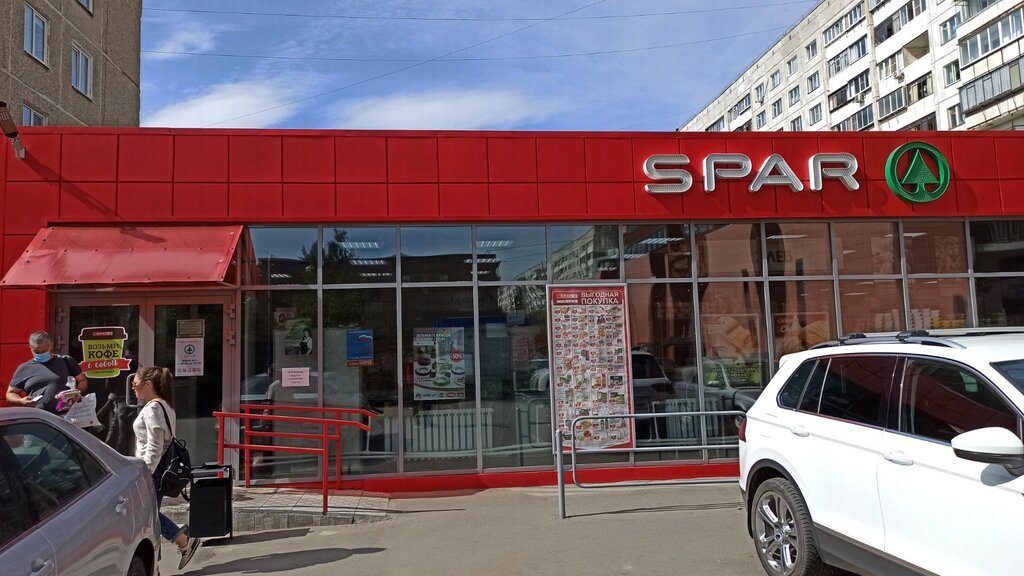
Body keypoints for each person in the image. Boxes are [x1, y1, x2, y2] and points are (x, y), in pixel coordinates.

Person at [131, 366, 201, 571]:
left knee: (147, 517)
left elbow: (154, 447)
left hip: (153, 472)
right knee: (149, 516)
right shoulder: (165, 406)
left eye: (135, 383)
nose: (133, 387)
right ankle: (177, 543)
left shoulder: (153, 409)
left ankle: (182, 541)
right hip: (159, 470)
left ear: (148, 384)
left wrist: (144, 474)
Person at [6, 331, 87, 412]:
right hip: (38, 417)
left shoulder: (66, 361)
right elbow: (10, 393)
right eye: (37, 352)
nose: (40, 354)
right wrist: (21, 401)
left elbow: (82, 381)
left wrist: (76, 393)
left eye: (44, 351)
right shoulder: (24, 369)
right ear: (30, 348)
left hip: (66, 415)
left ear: (51, 345)